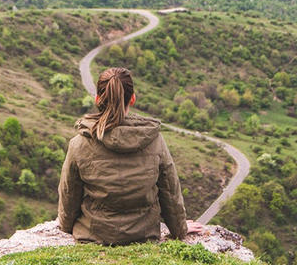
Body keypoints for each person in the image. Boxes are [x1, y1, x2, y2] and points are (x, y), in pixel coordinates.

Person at [58, 67, 203, 245]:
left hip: (93, 235)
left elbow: (69, 193)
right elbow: (170, 192)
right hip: (143, 236)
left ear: (97, 99)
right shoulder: (154, 140)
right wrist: (180, 229)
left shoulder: (79, 144)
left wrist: (65, 226)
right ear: (132, 98)